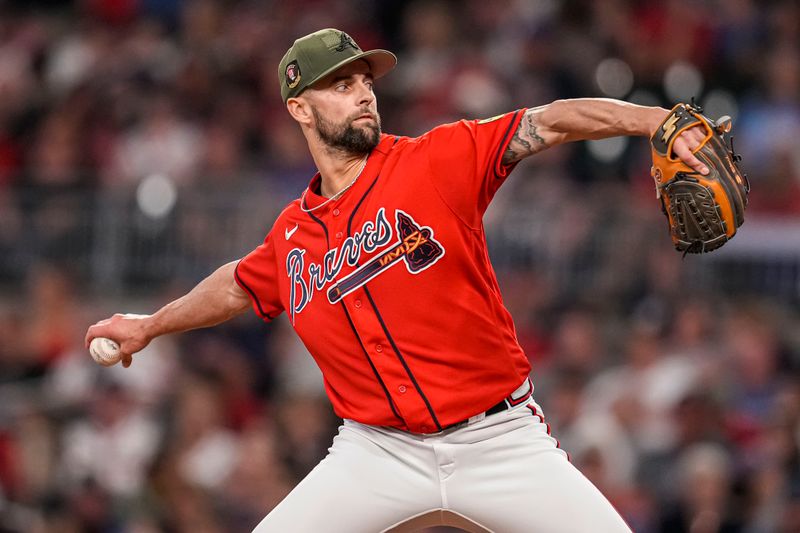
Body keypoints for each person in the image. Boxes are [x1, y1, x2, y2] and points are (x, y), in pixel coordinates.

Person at [86, 28, 711, 532]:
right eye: (340, 84)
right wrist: (150, 324)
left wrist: (656, 120)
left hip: (500, 439)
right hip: (376, 452)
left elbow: (551, 121)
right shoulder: (292, 235)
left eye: (364, 80)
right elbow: (236, 285)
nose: (362, 93)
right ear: (299, 108)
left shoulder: (437, 159)